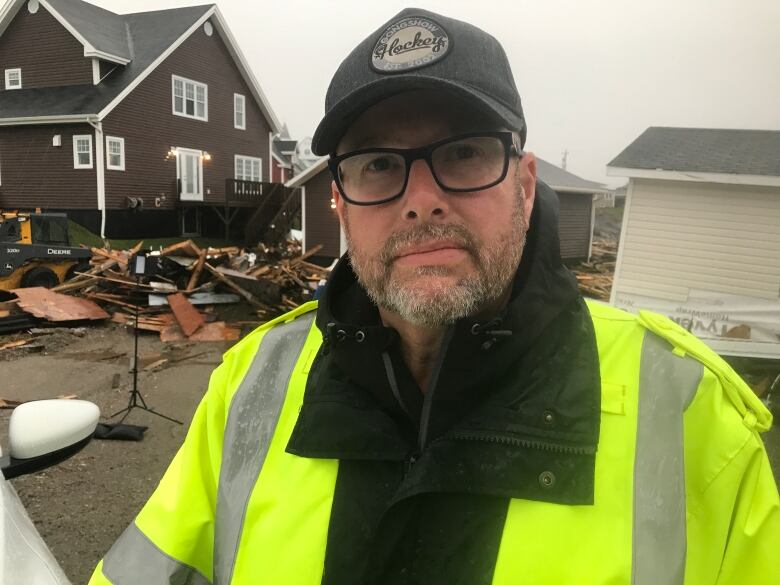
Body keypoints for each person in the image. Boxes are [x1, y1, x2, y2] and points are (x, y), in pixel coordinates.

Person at [90, 8, 779, 585]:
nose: (421, 201)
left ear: (526, 182)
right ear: (339, 201)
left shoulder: (692, 419)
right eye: (379, 164)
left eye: (463, 154)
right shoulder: (250, 391)